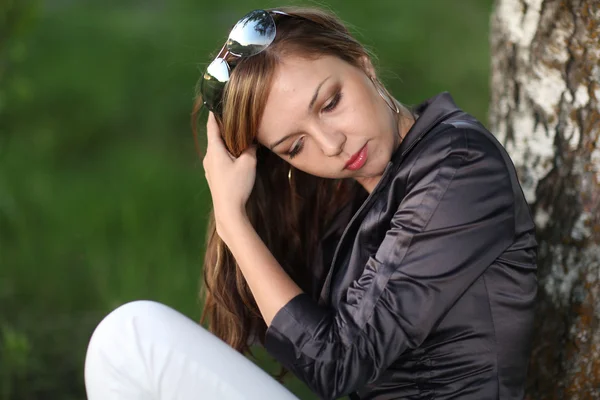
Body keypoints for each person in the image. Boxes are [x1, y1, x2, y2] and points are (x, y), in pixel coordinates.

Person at [84, 6, 538, 400]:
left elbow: (337, 362)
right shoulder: (352, 197)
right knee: (122, 348)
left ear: (363, 63)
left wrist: (231, 220)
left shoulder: (457, 166)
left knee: (132, 339)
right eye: (295, 147)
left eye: (330, 102)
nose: (332, 143)